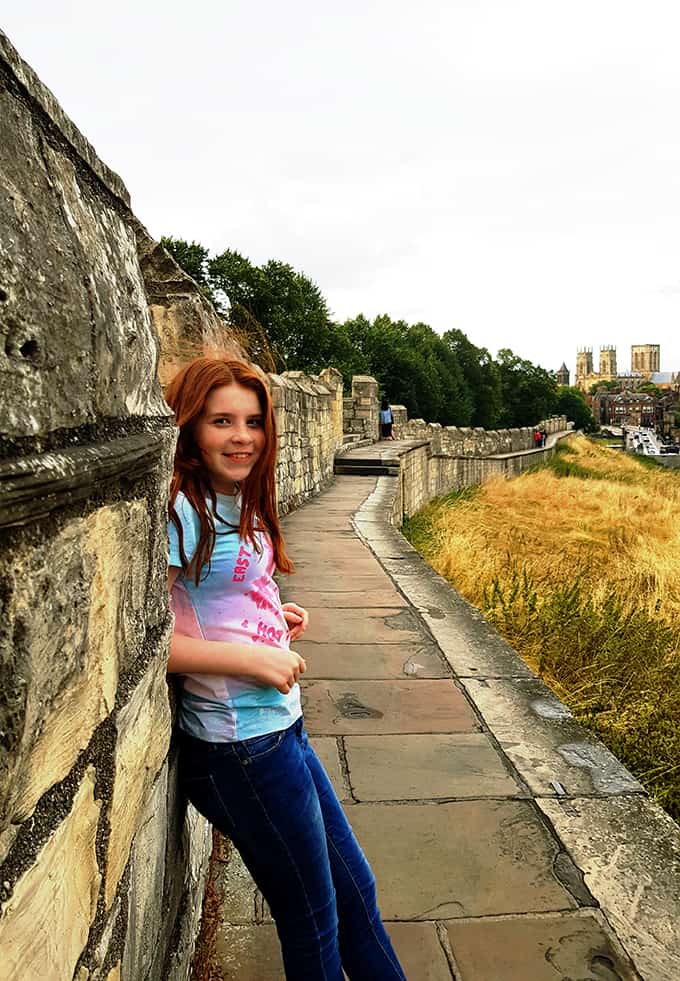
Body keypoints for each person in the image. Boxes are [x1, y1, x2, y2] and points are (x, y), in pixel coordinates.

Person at [165, 357, 407, 981]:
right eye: (222, 421)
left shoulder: (233, 497)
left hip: (280, 730)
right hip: (237, 745)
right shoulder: (180, 511)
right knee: (313, 923)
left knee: (358, 895)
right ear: (190, 426)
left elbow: (222, 592)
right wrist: (258, 659)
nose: (242, 436)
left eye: (253, 421)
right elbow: (152, 643)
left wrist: (272, 608)